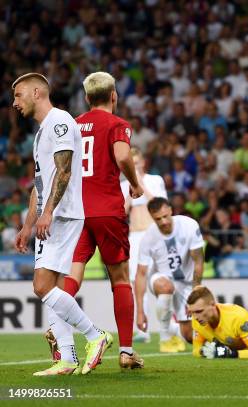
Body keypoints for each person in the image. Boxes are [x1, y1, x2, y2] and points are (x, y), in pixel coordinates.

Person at [43, 72, 145, 370]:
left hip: (75, 212)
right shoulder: (117, 124)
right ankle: (126, 351)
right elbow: (123, 155)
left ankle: (57, 325)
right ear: (114, 95)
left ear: (87, 98)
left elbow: (59, 166)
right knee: (120, 278)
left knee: (72, 274)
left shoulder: (73, 125)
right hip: (107, 210)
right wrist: (135, 183)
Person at [12, 72, 111, 376]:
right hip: (51, 215)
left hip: (63, 214)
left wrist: (47, 213)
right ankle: (67, 358)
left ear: (37, 93)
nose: (15, 102)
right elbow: (40, 183)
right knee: (53, 287)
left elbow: (64, 172)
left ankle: (96, 335)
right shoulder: (43, 132)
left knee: (42, 286)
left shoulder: (60, 121)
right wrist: (28, 224)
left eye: (19, 95)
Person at [135, 197, 204, 352]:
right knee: (166, 287)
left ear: (171, 210)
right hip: (160, 279)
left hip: (186, 284)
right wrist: (140, 311)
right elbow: (141, 274)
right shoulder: (148, 238)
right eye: (158, 219)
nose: (164, 221)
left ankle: (173, 330)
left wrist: (196, 290)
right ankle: (165, 336)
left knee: (190, 337)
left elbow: (198, 260)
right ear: (152, 218)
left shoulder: (189, 226)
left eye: (165, 216)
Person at [120, 147, 168, 343]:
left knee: (163, 281)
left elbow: (159, 204)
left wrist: (139, 183)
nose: (135, 165)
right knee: (136, 283)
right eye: (131, 163)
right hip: (135, 236)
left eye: (137, 162)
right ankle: (143, 330)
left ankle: (169, 329)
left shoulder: (155, 180)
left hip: (155, 235)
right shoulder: (123, 186)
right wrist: (131, 188)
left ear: (142, 162)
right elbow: (123, 211)